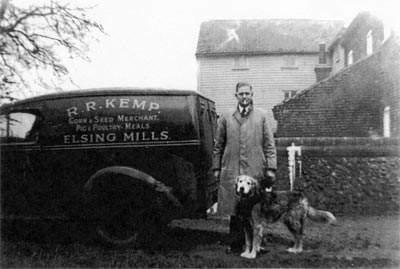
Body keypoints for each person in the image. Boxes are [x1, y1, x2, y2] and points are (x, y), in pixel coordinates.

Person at [212, 82, 277, 253]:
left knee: (255, 208)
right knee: (235, 208)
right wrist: (216, 168)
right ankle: (235, 244)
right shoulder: (226, 117)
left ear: (252, 94)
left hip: (255, 169)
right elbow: (218, 145)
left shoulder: (262, 116)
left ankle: (257, 245)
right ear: (236, 96)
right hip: (232, 168)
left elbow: (270, 145)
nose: (244, 97)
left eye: (247, 93)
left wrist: (270, 168)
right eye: (241, 94)